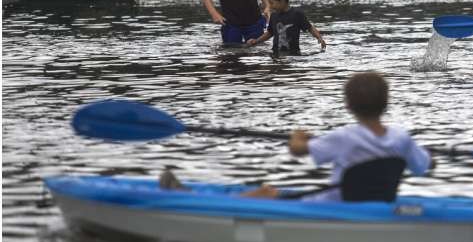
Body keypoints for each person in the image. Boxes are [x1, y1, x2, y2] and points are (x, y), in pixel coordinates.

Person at [160, 72, 434, 202]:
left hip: (332, 206)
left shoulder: (344, 136)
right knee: (275, 192)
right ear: (386, 104)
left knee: (267, 192)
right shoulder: (401, 139)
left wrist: (298, 136)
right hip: (377, 204)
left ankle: (189, 198)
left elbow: (297, 150)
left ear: (348, 106)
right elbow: (425, 166)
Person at [245, 0, 326, 55]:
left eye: (272, 3)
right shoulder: (274, 16)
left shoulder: (297, 14)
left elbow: (310, 28)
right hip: (276, 53)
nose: (271, 6)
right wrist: (256, 41)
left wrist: (319, 38)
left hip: (293, 54)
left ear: (282, 1)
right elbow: (270, 33)